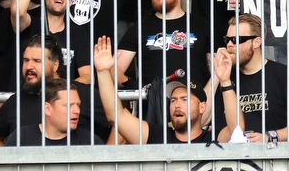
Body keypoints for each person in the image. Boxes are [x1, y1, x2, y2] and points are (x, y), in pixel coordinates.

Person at [93, 36, 242, 144]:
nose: (177, 105)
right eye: (173, 100)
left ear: (202, 106)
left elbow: (236, 130)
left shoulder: (212, 139)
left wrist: (225, 81)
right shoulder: (157, 136)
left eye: (184, 100)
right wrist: (103, 72)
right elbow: (115, 116)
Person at [211, 14, 289, 143]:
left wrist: (271, 137)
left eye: (237, 40)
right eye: (227, 39)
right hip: (237, 160)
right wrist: (221, 78)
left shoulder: (282, 74)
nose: (230, 45)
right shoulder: (226, 77)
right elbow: (218, 133)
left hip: (275, 157)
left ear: (256, 42)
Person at [0, 35, 62, 146]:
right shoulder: (15, 102)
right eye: (26, 60)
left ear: (55, 65)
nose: (29, 66)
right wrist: (9, 160)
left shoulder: (77, 95)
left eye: (37, 61)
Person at [5, 79, 102, 146]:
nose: (77, 111)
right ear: (47, 108)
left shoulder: (90, 141)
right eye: (69, 105)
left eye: (78, 105)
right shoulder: (21, 138)